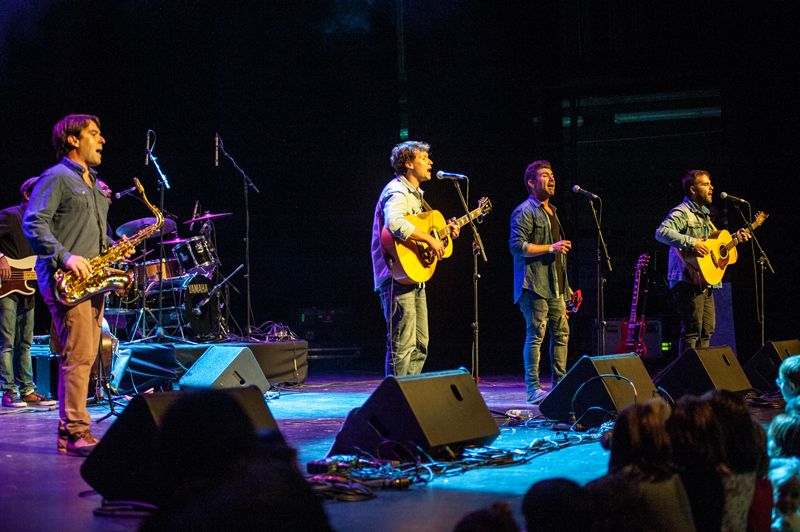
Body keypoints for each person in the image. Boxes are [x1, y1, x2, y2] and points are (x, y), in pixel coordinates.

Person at [23, 114, 115, 456]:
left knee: (88, 355)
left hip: (92, 280)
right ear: (73, 140)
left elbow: (94, 235)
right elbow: (34, 224)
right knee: (78, 356)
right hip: (66, 279)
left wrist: (114, 252)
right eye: (94, 133)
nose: (102, 140)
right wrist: (67, 257)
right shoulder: (57, 177)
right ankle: (77, 431)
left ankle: (69, 433)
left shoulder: (94, 185)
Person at [370, 141, 458, 377]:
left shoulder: (416, 196)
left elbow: (419, 233)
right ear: (408, 164)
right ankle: (396, 395)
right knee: (402, 345)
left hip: (413, 276)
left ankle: (410, 391)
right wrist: (429, 239)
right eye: (424, 158)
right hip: (396, 277)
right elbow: (395, 223)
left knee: (420, 345)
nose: (430, 162)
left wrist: (443, 234)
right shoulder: (397, 191)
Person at [655, 169, 750, 357]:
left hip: (704, 279)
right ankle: (689, 372)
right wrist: (692, 242)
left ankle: (702, 370)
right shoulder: (682, 212)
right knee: (693, 330)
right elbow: (661, 233)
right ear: (693, 189)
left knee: (707, 330)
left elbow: (712, 246)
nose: (711, 187)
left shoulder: (704, 216)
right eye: (705, 184)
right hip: (687, 278)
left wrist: (735, 238)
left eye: (710, 183)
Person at [509, 160, 572, 404]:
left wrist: (566, 287)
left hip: (555, 286)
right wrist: (550, 247)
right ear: (531, 182)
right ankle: (533, 389)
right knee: (536, 334)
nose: (551, 178)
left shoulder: (552, 211)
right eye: (545, 175)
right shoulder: (525, 211)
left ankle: (560, 385)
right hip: (533, 284)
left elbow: (558, 255)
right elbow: (516, 247)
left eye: (552, 174)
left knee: (562, 333)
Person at [0, 177, 57, 408]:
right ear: (27, 195)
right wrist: (1, 257)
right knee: (6, 342)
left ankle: (27, 390)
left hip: (28, 288)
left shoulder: (40, 223)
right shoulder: (10, 215)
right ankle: (8, 391)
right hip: (6, 286)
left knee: (25, 342)